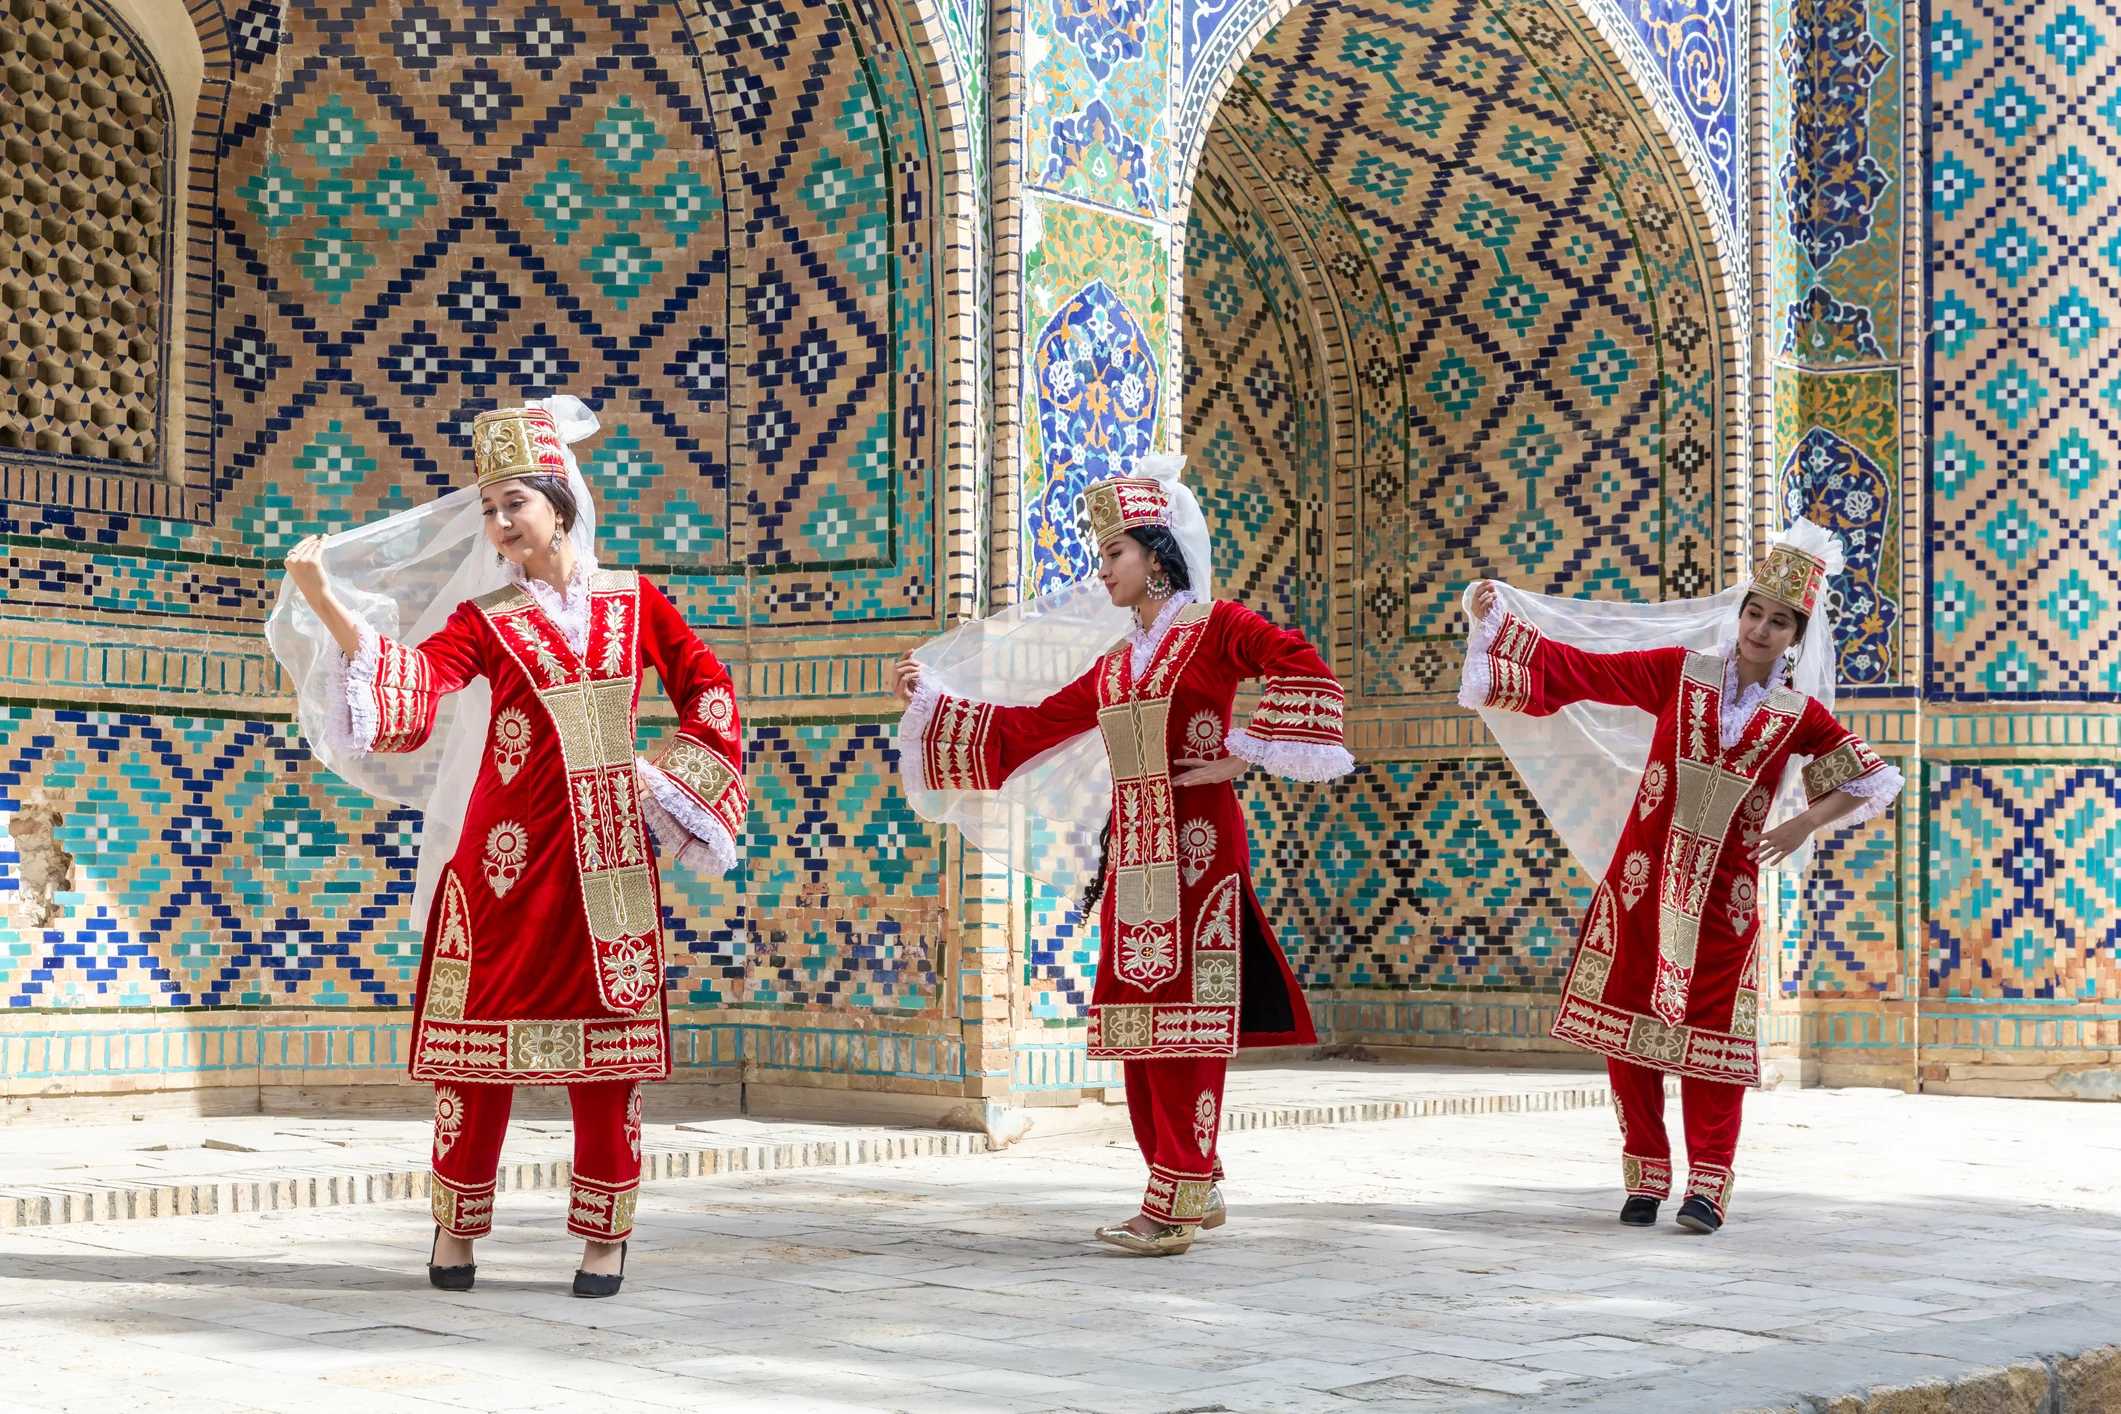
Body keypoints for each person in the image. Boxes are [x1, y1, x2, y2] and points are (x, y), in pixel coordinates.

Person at [267, 397, 745, 1296]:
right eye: (487, 510)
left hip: (606, 859)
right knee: (474, 1051)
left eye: (511, 504)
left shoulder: (636, 599)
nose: (496, 524)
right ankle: (456, 1232)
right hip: (503, 854)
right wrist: (326, 599)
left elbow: (708, 688)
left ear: (559, 502)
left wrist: (666, 780)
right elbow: (417, 682)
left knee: (611, 1054)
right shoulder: (487, 617)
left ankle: (604, 1240)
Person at [894, 460, 1354, 1255]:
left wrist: (1244, 749)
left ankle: (1169, 1203)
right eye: (1100, 556)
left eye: (1113, 555)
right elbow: (1025, 728)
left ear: (1155, 556)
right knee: (1139, 1029)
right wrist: (933, 698)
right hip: (1133, 859)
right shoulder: (1115, 665)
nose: (1101, 570)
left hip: (1200, 854)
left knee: (1187, 1027)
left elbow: (1303, 662)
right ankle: (1192, 1184)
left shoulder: (1216, 627)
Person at [1460, 519, 1902, 1233]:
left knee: (1715, 1047)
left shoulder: (1797, 716)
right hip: (1641, 881)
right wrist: (1502, 621)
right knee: (1625, 1035)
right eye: (1753, 612)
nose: (1760, 628)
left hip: (1724, 900)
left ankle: (1707, 1188)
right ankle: (1644, 1177)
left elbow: (1871, 778)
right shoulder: (1677, 672)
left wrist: (1800, 823)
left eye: (1778, 621)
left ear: (1796, 635)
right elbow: (1581, 668)